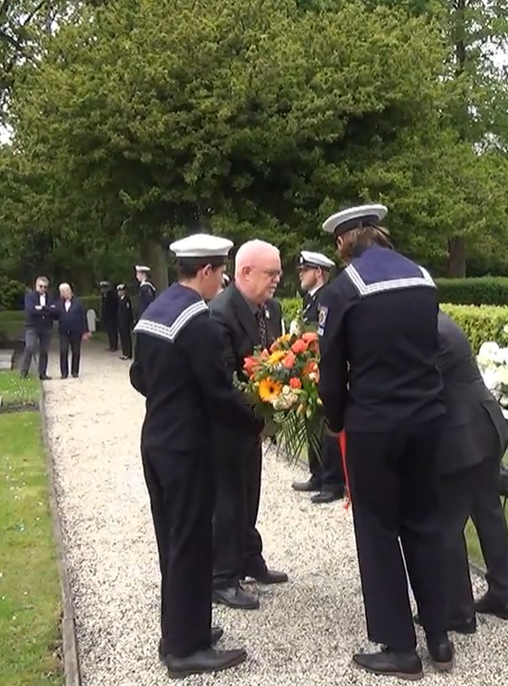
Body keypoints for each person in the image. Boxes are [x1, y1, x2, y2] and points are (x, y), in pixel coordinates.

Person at [316, 203, 453, 679]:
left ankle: (399, 646)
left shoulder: (345, 289)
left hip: (375, 423)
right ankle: (439, 636)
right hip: (427, 418)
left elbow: (331, 370)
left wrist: (335, 421)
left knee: (377, 531)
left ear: (346, 241)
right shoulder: (422, 278)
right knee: (425, 523)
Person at [129, 232, 262, 679]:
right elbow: (218, 392)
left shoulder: (155, 310)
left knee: (172, 542)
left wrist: (169, 396)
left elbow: (137, 376)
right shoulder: (197, 321)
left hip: (156, 439)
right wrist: (255, 422)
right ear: (205, 271)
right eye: (220, 273)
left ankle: (181, 630)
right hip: (187, 447)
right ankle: (185, 651)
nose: (222, 282)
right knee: (191, 542)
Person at [207, 239, 289, 611]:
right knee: (227, 500)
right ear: (244, 272)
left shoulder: (271, 308)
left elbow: (276, 358)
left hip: (254, 423)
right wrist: (255, 417)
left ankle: (248, 556)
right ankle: (223, 576)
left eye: (279, 273)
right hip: (226, 425)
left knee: (249, 493)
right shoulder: (220, 314)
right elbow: (225, 379)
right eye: (270, 273)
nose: (277, 280)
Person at [426, 310, 508, 633]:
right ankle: (502, 595)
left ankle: (458, 612)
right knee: (487, 511)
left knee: (447, 523)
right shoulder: (439, 321)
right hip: (483, 424)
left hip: (465, 435)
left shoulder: (433, 332)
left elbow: (421, 384)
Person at [291, 249, 346, 504]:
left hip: (324, 369)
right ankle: (318, 473)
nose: (301, 275)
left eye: (305, 270)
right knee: (312, 423)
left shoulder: (327, 297)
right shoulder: (310, 299)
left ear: (319, 272)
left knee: (326, 424)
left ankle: (333, 481)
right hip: (310, 370)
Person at [20, 276, 57, 380]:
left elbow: (55, 311)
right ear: (36, 286)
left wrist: (42, 308)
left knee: (44, 350)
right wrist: (47, 310)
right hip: (32, 326)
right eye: (41, 286)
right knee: (30, 347)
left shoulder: (50, 297)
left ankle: (42, 373)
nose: (43, 289)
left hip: (46, 326)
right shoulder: (30, 297)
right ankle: (23, 372)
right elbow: (31, 310)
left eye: (45, 287)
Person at [56, 283, 90, 379]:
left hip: (76, 330)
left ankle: (75, 371)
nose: (64, 293)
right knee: (63, 351)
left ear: (70, 290)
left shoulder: (78, 303)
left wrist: (85, 331)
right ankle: (64, 372)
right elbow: (55, 314)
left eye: (65, 291)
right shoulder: (58, 303)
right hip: (63, 331)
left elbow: (83, 317)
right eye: (62, 292)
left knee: (76, 351)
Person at [116, 284, 134, 360]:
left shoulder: (126, 300)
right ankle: (124, 352)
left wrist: (128, 321)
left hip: (125, 322)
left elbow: (127, 312)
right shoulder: (120, 300)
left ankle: (128, 353)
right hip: (121, 321)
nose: (119, 293)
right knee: (123, 337)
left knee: (126, 338)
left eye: (120, 291)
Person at [100, 281, 119, 352]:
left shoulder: (112, 295)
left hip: (112, 315)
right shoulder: (104, 295)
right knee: (109, 331)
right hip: (107, 316)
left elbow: (114, 305)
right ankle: (111, 345)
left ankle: (114, 345)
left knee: (113, 331)